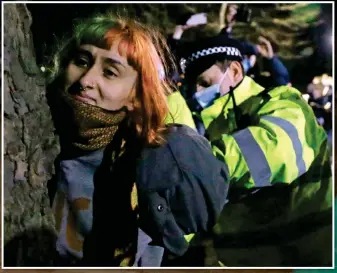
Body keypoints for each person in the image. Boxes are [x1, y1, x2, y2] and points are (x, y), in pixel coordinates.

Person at [46, 13, 227, 267]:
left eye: (109, 72)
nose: (86, 80)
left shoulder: (150, 158)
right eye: (81, 61)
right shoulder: (34, 133)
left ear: (136, 97)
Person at [177, 35, 332, 266]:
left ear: (236, 72)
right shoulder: (209, 131)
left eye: (206, 83)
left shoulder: (283, 102)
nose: (198, 92)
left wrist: (198, 165)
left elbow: (276, 150)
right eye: (194, 86)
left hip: (304, 260)